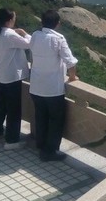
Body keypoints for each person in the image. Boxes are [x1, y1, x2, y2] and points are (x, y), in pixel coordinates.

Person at [28, 9, 78, 162]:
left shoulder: (35, 35)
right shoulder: (59, 39)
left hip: (36, 87)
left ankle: (40, 144)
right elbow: (70, 61)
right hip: (52, 89)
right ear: (58, 24)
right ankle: (50, 151)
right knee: (56, 120)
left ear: (42, 22)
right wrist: (72, 77)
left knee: (40, 117)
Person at [0, 7, 31, 149]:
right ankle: (12, 141)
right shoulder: (9, 35)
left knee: (0, 106)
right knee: (13, 110)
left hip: (1, 75)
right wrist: (24, 33)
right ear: (8, 21)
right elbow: (30, 44)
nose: (14, 21)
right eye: (13, 19)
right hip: (12, 77)